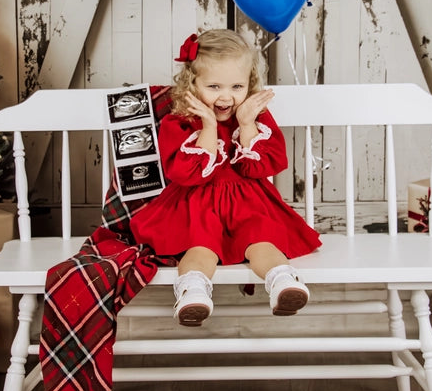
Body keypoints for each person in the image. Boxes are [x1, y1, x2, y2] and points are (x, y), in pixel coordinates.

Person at [130, 29, 321, 326]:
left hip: (248, 201)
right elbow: (186, 174)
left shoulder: (254, 118)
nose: (226, 96)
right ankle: (193, 290)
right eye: (214, 86)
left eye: (236, 86)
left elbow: (261, 166)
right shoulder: (178, 121)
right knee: (199, 245)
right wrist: (207, 127)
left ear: (249, 85)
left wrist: (246, 123)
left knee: (261, 239)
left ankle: (282, 281)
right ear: (192, 84)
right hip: (196, 202)